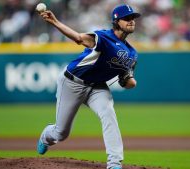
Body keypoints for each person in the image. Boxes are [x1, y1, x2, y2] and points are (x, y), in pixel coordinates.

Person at [36, 4, 141, 169]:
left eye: (133, 18)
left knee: (108, 114)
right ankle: (46, 137)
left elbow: (127, 79)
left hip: (97, 87)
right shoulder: (104, 37)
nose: (131, 21)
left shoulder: (132, 53)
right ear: (116, 21)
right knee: (61, 133)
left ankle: (114, 163)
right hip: (72, 82)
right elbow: (78, 38)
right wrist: (55, 22)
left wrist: (128, 81)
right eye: (127, 18)